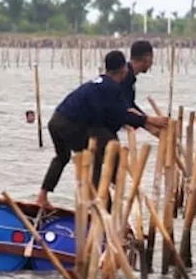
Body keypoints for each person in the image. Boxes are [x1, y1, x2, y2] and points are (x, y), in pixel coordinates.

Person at [36, 51, 164, 209]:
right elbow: (122, 115)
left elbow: (116, 114)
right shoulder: (111, 87)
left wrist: (146, 122)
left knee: (62, 158)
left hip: (55, 122)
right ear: (124, 69)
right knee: (95, 154)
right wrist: (149, 120)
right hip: (70, 125)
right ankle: (97, 203)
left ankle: (42, 196)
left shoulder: (100, 82)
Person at [122, 40, 160, 136]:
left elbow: (129, 105)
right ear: (147, 58)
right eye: (151, 58)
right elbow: (125, 109)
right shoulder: (125, 76)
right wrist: (148, 123)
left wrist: (149, 122)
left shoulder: (128, 73)